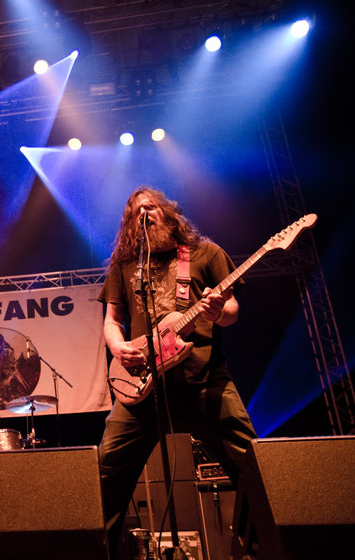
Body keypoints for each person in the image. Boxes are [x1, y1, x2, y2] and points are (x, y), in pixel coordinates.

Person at [96, 187, 257, 559]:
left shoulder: (204, 253)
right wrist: (118, 347)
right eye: (135, 212)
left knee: (251, 465)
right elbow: (112, 320)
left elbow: (231, 309)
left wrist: (217, 312)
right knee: (105, 475)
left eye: (150, 207)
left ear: (168, 213)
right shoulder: (124, 264)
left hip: (204, 381)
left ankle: (260, 548)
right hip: (143, 389)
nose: (144, 214)